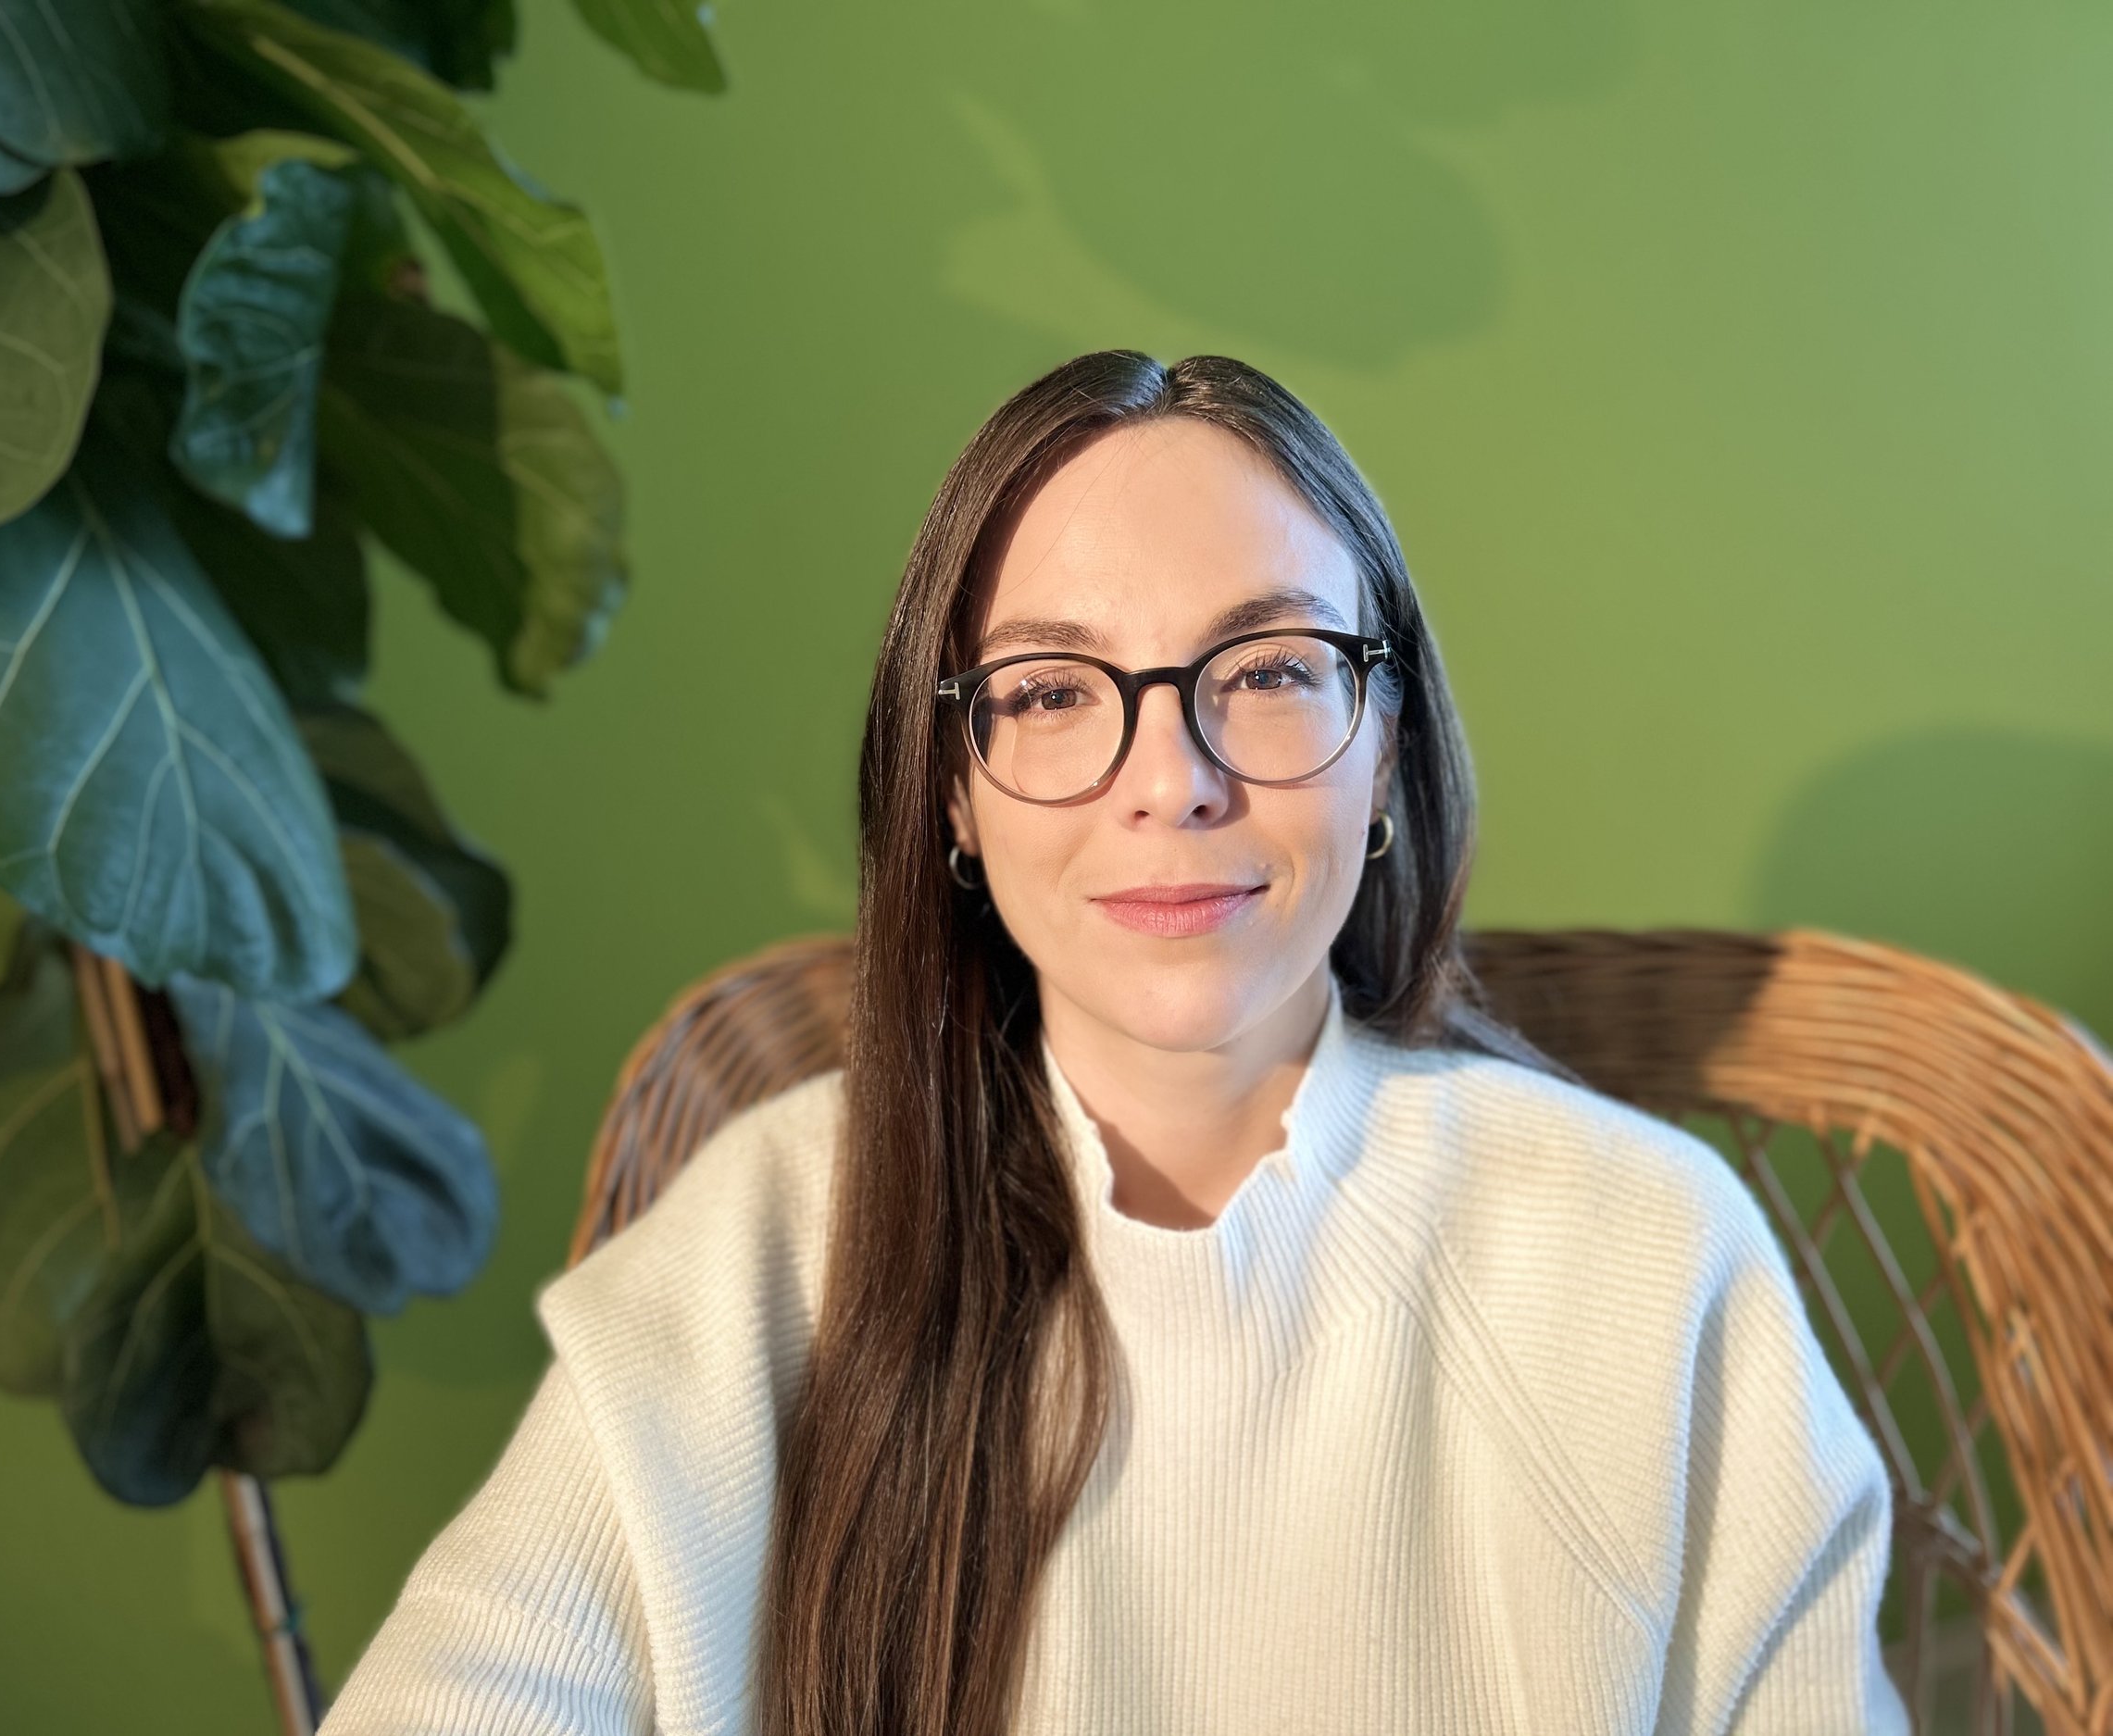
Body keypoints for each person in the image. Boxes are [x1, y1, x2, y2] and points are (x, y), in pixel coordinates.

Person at [317, 351, 1909, 1735]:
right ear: (952, 788)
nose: (1172, 781)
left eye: (1270, 670)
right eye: (1052, 692)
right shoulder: (759, 1253)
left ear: (1386, 741)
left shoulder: (1651, 1258)